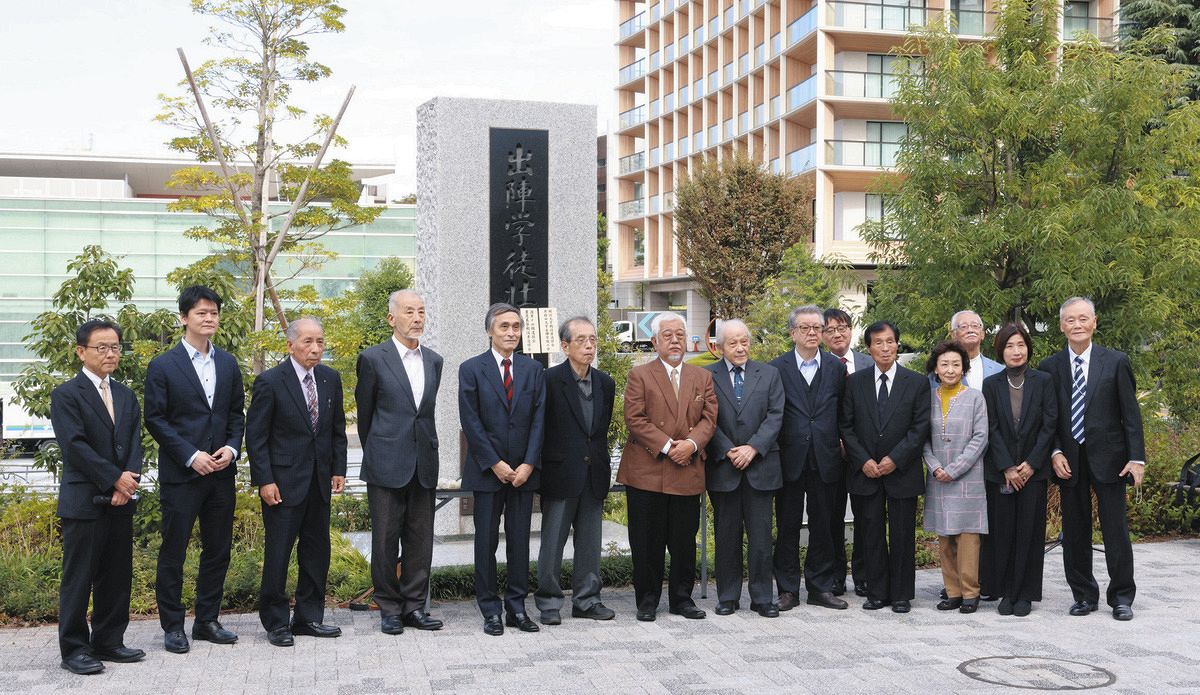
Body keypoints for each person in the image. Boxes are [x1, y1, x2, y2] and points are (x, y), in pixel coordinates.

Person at [144, 285, 245, 654]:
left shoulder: (228, 363)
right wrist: (191, 455)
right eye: (201, 313)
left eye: (214, 313)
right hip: (183, 475)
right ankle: (173, 626)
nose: (209, 318)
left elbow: (237, 414)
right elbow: (155, 419)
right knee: (174, 550)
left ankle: (207, 620)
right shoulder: (163, 365)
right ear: (184, 318)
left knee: (218, 549)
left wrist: (232, 449)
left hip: (221, 474)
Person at [1040, 297, 1145, 621]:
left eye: (1083, 319)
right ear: (1061, 326)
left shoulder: (1115, 362)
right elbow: (1049, 418)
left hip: (1110, 458)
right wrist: (1055, 451)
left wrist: (1136, 459)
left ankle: (1122, 596)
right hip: (1069, 459)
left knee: (1115, 529)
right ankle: (1083, 595)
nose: (1077, 325)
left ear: (1094, 322)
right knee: (1075, 530)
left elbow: (1131, 414)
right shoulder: (1050, 367)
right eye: (1070, 320)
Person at [246, 318, 347, 647]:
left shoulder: (331, 379)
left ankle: (308, 617)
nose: (315, 348)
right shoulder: (271, 382)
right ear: (290, 345)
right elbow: (256, 437)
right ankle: (276, 622)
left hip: (319, 481)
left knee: (317, 552)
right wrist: (264, 479)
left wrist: (338, 469)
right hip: (283, 483)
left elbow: (336, 431)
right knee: (279, 553)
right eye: (307, 342)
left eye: (320, 341)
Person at [52, 319, 144, 675]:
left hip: (122, 498)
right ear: (81, 352)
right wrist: (114, 481)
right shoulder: (66, 395)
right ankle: (74, 649)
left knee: (116, 575)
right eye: (101, 347)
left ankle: (109, 640)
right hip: (84, 501)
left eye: (115, 347)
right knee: (79, 577)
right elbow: (75, 447)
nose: (110, 353)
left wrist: (129, 481)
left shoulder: (125, 395)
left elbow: (134, 442)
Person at [617, 312, 718, 622]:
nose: (675, 340)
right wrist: (667, 446)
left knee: (684, 540)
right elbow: (635, 418)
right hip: (648, 469)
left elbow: (709, 418)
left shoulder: (702, 377)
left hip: (687, 467)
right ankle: (647, 600)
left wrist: (690, 444)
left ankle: (682, 599)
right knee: (646, 541)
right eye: (668, 335)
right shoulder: (640, 375)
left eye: (680, 335)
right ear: (654, 341)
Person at [356, 290, 445, 634]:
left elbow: (426, 413)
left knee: (420, 540)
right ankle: (389, 608)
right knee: (384, 540)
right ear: (392, 318)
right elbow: (366, 417)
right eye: (409, 312)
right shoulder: (373, 358)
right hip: (386, 463)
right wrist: (380, 451)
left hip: (424, 461)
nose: (417, 318)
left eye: (421, 311)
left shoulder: (434, 360)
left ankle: (414, 607)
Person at [459, 302, 546, 635]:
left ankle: (517, 608)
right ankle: (490, 610)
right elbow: (471, 420)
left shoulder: (533, 370)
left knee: (520, 541)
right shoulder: (471, 369)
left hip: (524, 472)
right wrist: (495, 463)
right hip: (487, 471)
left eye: (516, 327)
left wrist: (527, 464)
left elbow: (540, 420)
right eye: (504, 327)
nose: (511, 332)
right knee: (485, 543)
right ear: (489, 331)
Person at [839, 321, 930, 613]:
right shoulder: (854, 382)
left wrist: (895, 459)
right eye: (878, 342)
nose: (885, 347)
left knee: (903, 534)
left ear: (898, 345)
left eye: (890, 341)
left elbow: (919, 428)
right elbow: (846, 426)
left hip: (901, 471)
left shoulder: (916, 382)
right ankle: (877, 592)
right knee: (871, 533)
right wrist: (863, 459)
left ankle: (902, 594)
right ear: (869, 348)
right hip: (865, 472)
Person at [535, 317, 617, 625]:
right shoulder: (549, 379)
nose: (589, 346)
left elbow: (600, 429)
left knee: (590, 543)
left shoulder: (605, 383)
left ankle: (587, 600)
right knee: (553, 542)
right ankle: (549, 602)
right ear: (565, 346)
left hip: (593, 473)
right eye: (581, 340)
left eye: (593, 340)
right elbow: (540, 427)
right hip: (560, 473)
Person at [770, 307, 849, 611]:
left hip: (827, 457)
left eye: (818, 328)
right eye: (806, 328)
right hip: (790, 458)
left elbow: (842, 409)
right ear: (793, 333)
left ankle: (820, 587)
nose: (814, 333)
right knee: (788, 526)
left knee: (824, 526)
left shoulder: (834, 367)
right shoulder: (777, 368)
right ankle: (788, 589)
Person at [705, 319, 784, 617]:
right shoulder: (706, 376)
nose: (740, 348)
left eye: (744, 342)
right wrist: (727, 450)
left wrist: (753, 448)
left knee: (762, 537)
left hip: (760, 465)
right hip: (724, 467)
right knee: (726, 536)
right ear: (720, 347)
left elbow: (776, 416)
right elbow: (705, 417)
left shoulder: (770, 374)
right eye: (733, 343)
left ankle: (763, 597)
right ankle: (727, 596)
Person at [982, 323, 1057, 617]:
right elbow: (991, 428)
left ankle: (1025, 593)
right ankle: (1006, 592)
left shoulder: (1044, 381)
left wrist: (1032, 463)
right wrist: (1007, 467)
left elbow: (1049, 424)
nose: (1016, 351)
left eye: (1021, 345)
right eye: (1010, 346)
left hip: (1033, 472)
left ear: (1028, 348)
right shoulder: (992, 385)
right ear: (1001, 350)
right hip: (1001, 472)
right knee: (1003, 532)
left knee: (1029, 531)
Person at [923, 341, 989, 614]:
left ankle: (970, 592)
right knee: (945, 537)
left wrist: (955, 468)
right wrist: (936, 466)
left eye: (956, 364)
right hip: (937, 476)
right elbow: (921, 438)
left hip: (968, 476)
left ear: (964, 368)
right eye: (944, 364)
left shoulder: (975, 397)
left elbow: (980, 437)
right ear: (935, 369)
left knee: (968, 539)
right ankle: (952, 592)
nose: (950, 370)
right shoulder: (927, 398)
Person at [821, 307, 872, 598]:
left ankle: (863, 575)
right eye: (830, 330)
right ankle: (835, 577)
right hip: (831, 454)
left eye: (842, 328)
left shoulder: (868, 362)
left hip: (864, 456)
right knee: (832, 518)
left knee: (866, 516)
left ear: (851, 330)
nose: (837, 334)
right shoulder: (822, 365)